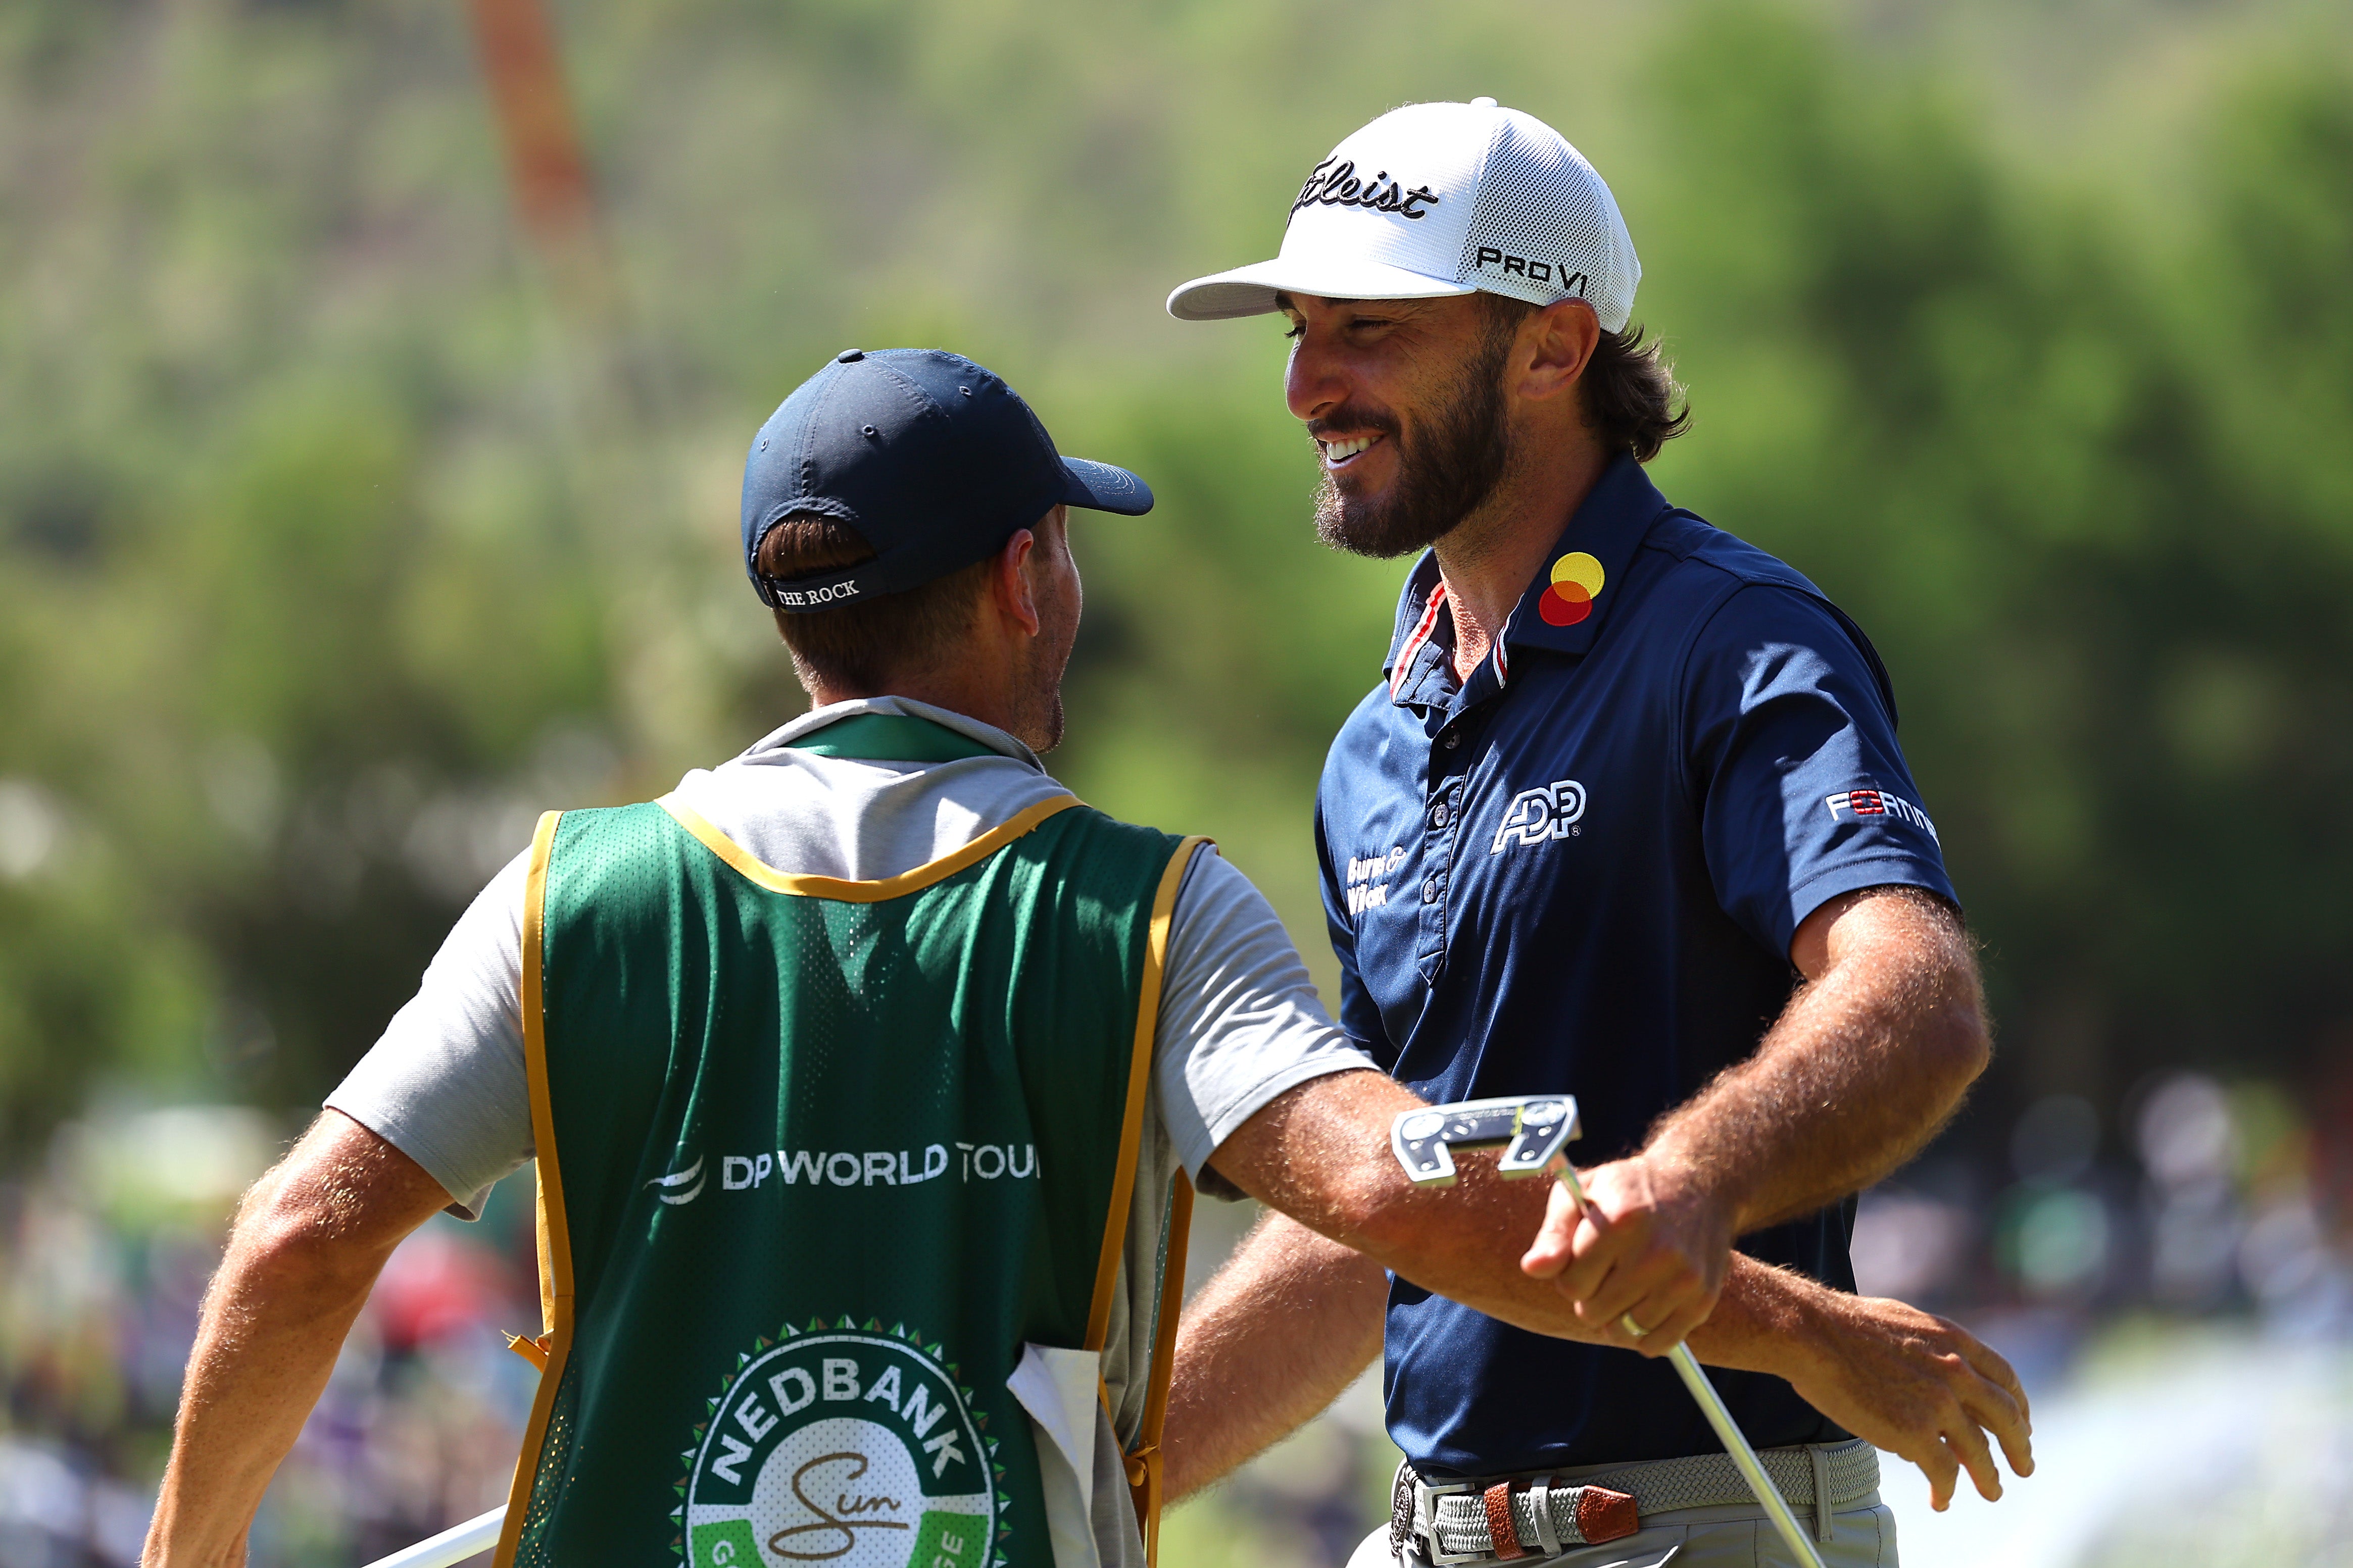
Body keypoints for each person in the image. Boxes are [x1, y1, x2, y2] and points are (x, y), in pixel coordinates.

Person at [141, 350, 2025, 1568]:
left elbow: (301, 1243)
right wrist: (1796, 1321)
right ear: (1031, 577)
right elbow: (1396, 1198)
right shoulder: (1140, 910)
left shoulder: (566, 901)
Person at [1162, 99, 2019, 1565]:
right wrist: (1101, 1468)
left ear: (1554, 348)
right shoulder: (1376, 739)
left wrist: (1692, 1180)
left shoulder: (1734, 642)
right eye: (1298, 332)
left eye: (1370, 328)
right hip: (1426, 1535)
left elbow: (1914, 993)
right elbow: (1393, 1208)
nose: (1309, 385)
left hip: (1692, 1527)